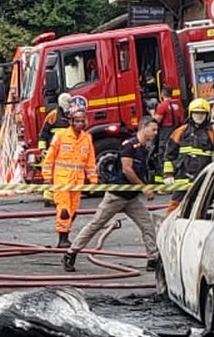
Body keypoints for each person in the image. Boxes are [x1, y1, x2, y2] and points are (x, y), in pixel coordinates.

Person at [66, 118, 160, 273]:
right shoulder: (129, 146)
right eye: (153, 130)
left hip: (131, 198)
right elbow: (127, 170)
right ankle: (71, 253)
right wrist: (144, 188)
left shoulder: (142, 149)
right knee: (96, 224)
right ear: (143, 128)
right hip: (116, 196)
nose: (155, 133)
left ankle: (152, 259)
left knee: (147, 225)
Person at [40, 97, 97, 249]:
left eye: (82, 121)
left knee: (73, 211)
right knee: (64, 210)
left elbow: (90, 161)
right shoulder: (61, 136)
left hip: (77, 182)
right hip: (62, 180)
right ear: (71, 121)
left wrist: (93, 180)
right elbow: (50, 158)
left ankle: (65, 233)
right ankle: (62, 239)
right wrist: (47, 177)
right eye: (77, 121)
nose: (79, 124)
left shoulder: (87, 138)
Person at [166, 98, 214, 212]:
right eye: (196, 113)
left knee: (202, 206)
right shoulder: (180, 132)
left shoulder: (212, 134)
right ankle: (169, 223)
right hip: (182, 177)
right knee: (175, 206)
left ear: (207, 115)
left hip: (203, 177)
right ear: (190, 114)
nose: (199, 116)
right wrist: (168, 174)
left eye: (202, 113)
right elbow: (169, 154)